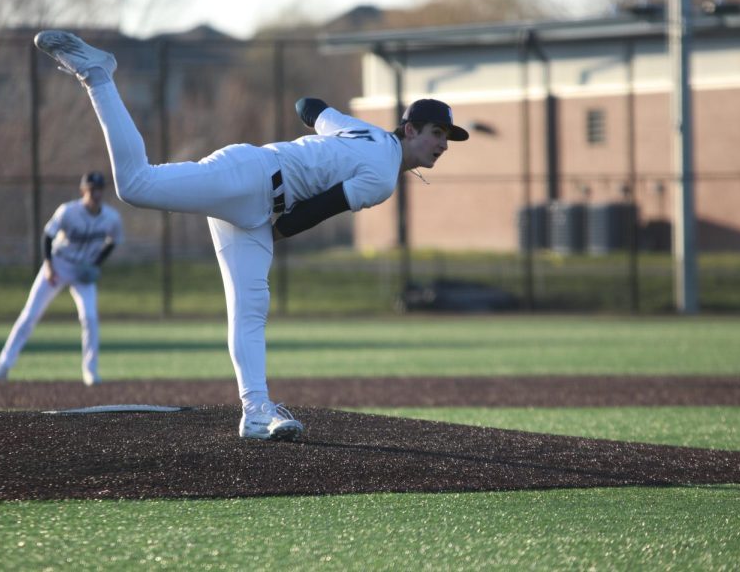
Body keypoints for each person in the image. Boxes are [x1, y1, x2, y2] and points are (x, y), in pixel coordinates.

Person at [33, 30, 469, 440]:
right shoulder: (382, 175)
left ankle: (256, 411)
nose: (444, 144)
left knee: (249, 308)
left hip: (258, 204)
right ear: (410, 129)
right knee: (135, 185)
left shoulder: (365, 132)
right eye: (437, 133)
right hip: (253, 178)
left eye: (448, 137)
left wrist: (328, 139)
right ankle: (98, 75)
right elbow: (315, 212)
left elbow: (307, 106)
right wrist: (275, 226)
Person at [0, 171, 124, 386]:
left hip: (83, 271)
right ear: (83, 191)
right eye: (92, 190)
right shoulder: (68, 211)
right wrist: (48, 265)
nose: (96, 194)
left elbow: (113, 240)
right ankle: (3, 366)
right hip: (58, 264)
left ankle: (90, 371)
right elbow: (48, 235)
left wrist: (96, 264)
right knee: (30, 314)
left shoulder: (111, 217)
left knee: (90, 318)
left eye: (99, 190)